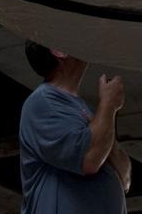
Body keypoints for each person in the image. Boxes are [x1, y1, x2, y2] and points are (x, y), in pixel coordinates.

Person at [19, 41, 131, 213]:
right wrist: (109, 105)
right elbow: (90, 160)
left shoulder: (89, 112)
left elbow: (124, 178)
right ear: (59, 51)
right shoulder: (42, 102)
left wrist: (103, 131)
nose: (81, 39)